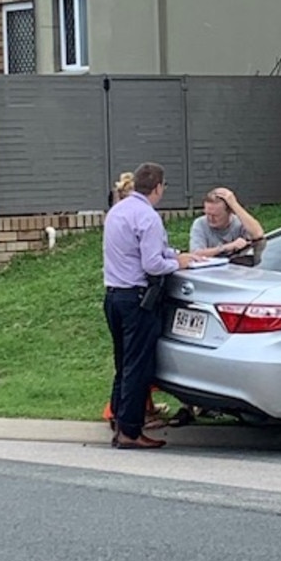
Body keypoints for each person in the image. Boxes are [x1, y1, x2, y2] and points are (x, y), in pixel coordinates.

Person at [103, 161, 199, 449]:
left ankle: (120, 420)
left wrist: (172, 253)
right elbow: (153, 263)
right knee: (138, 366)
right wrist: (178, 262)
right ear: (158, 187)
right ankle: (131, 431)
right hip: (138, 299)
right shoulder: (148, 216)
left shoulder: (117, 211)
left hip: (114, 295)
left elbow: (137, 251)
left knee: (123, 363)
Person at [189, 187, 264, 257]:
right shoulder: (200, 223)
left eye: (216, 215)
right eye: (207, 213)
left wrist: (234, 205)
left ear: (229, 212)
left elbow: (258, 234)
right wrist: (226, 247)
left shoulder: (239, 223)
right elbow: (196, 254)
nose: (210, 218)